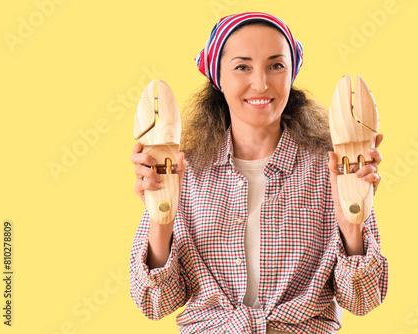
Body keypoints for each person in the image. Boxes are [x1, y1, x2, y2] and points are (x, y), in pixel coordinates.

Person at [130, 12, 388, 334]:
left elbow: (364, 299)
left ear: (291, 73)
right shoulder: (181, 171)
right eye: (242, 67)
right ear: (218, 78)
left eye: (276, 65)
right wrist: (161, 219)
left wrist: (353, 226)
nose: (261, 83)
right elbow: (155, 304)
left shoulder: (334, 168)